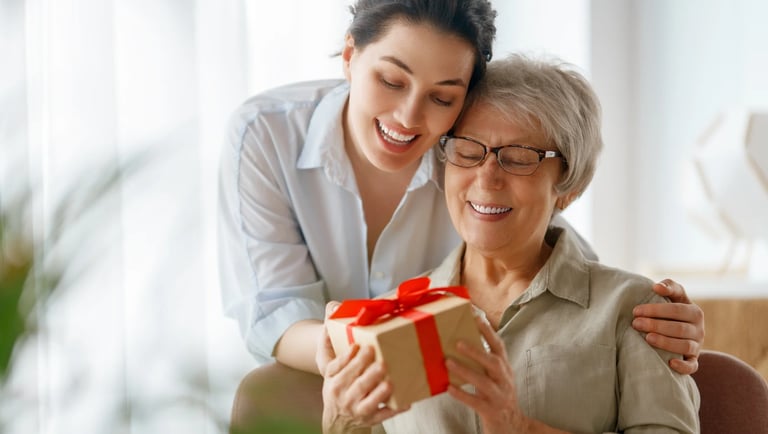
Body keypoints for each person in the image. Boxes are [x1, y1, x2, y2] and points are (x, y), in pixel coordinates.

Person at [218, 0, 704, 378]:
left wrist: (649, 322)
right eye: (390, 80)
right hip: (316, 386)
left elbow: (555, 252)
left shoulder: (468, 154)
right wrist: (363, 354)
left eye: (442, 96)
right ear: (350, 56)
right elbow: (274, 312)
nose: (409, 117)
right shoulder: (266, 135)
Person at [319, 53, 700, 433]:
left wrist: (518, 427)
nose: (487, 178)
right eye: (467, 151)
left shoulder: (635, 310)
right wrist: (340, 420)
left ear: (568, 187)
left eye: (519, 159)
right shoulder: (388, 320)